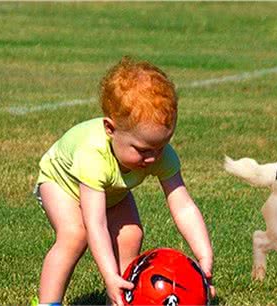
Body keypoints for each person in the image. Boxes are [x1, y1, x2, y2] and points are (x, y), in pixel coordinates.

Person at [34, 57, 214, 305]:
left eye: (161, 146)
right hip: (62, 184)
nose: (153, 158)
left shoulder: (158, 153)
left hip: (110, 191)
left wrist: (204, 257)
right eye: (142, 150)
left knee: (131, 235)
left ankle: (122, 299)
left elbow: (183, 206)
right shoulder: (93, 154)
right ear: (110, 128)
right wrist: (108, 274)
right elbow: (95, 223)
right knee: (75, 235)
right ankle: (48, 302)